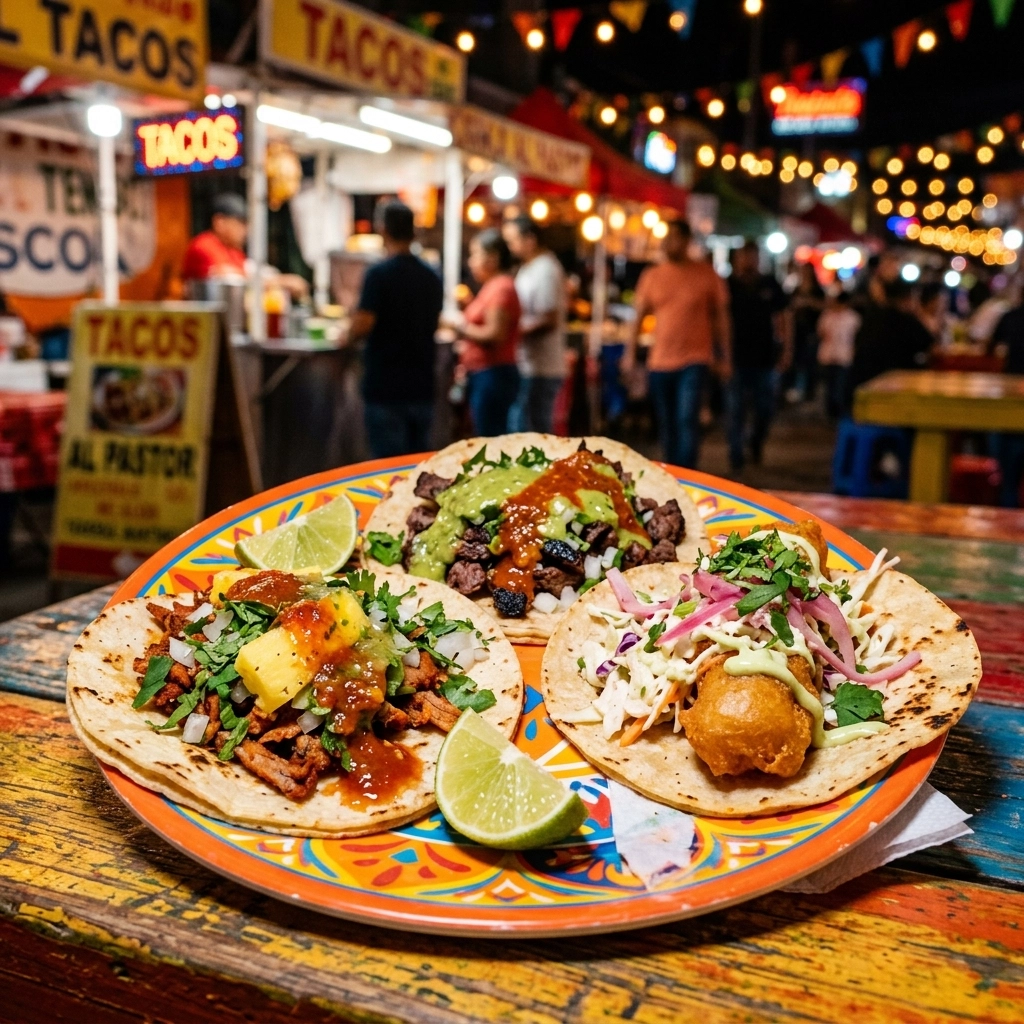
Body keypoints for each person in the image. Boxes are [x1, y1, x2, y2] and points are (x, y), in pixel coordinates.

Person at [623, 220, 730, 468]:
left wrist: (725, 356)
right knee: (667, 421)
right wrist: (630, 353)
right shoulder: (652, 276)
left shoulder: (706, 274)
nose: (668, 243)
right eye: (666, 238)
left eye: (674, 237)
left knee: (686, 418)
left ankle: (687, 473)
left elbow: (721, 320)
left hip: (695, 359)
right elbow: (637, 318)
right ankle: (672, 471)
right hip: (660, 361)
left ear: (686, 240)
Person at [346, 201, 443, 459]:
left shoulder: (379, 274)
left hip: (386, 387)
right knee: (417, 465)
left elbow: (363, 324)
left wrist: (347, 332)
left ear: (383, 230)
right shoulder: (431, 276)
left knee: (387, 468)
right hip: (422, 384)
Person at [444, 230, 521, 436]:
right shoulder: (493, 287)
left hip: (493, 374)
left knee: (491, 438)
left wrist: (459, 327)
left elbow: (495, 334)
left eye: (475, 254)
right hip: (486, 374)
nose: (471, 262)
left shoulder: (501, 287)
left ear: (493, 257)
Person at [725, 240, 791, 471]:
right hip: (736, 358)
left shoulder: (770, 284)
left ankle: (755, 442)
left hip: (765, 359)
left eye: (752, 256)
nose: (748, 261)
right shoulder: (728, 285)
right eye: (744, 256)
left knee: (765, 409)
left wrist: (786, 350)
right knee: (735, 410)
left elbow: (784, 316)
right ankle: (736, 456)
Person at [503, 215, 567, 433]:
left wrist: (511, 332)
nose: (510, 247)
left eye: (513, 241)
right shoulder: (529, 268)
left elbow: (549, 318)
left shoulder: (546, 269)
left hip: (542, 367)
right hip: (528, 364)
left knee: (532, 431)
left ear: (530, 239)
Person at [181, 193, 309, 300]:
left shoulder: (233, 249)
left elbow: (250, 271)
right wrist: (280, 282)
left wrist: (279, 279)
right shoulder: (203, 245)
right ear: (219, 222)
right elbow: (232, 280)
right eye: (241, 223)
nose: (246, 230)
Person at [849, 279, 933, 393]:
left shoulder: (873, 317)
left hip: (866, 383)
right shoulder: (906, 321)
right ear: (908, 298)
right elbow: (928, 342)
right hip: (896, 385)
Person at [990, 293, 1024, 506]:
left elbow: (992, 349)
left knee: (1008, 478)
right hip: (1011, 403)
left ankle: (1007, 502)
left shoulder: (1011, 316)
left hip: (1011, 402)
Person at [816, 290, 861, 419]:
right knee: (828, 387)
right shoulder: (827, 315)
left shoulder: (852, 318)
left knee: (840, 387)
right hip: (827, 356)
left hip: (844, 357)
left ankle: (838, 414)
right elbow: (821, 333)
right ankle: (830, 413)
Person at [785, 262, 825, 403]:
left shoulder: (817, 290)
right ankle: (795, 389)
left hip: (812, 330)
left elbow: (824, 307)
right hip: (797, 331)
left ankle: (809, 391)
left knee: (810, 362)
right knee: (797, 360)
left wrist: (809, 302)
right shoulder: (796, 289)